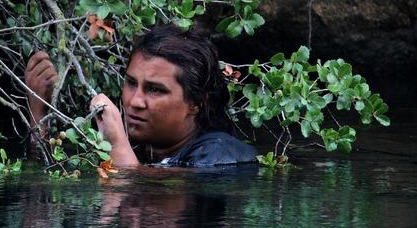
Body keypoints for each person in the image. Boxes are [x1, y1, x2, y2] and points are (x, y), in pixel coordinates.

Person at [24, 24, 257, 167]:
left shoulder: (220, 154)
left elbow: (143, 189)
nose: (134, 101)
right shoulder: (141, 147)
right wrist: (39, 110)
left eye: (155, 90)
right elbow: (51, 171)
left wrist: (116, 143)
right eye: (131, 83)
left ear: (195, 102)